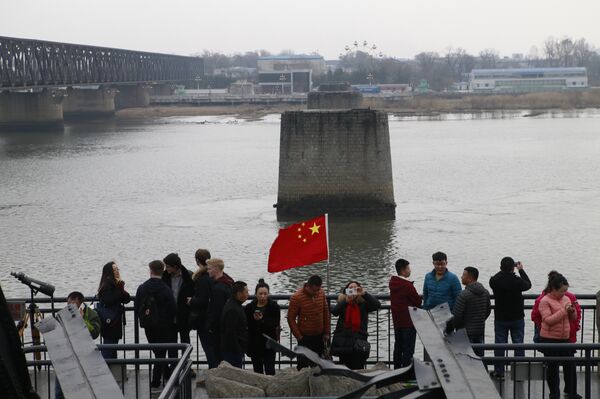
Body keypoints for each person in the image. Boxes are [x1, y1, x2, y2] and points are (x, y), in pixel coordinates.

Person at [531, 271, 581, 398]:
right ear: (553, 289)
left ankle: (571, 392)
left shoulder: (567, 298)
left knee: (570, 365)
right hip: (549, 339)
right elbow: (548, 320)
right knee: (552, 367)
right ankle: (554, 393)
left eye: (565, 291)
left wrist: (572, 311)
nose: (564, 294)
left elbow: (573, 318)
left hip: (565, 338)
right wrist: (564, 311)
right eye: (561, 291)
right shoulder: (544, 301)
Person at [135, 260, 177, 392]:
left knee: (157, 351)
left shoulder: (142, 288)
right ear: (162, 271)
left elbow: (137, 307)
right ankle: (156, 381)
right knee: (161, 352)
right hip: (164, 326)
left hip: (149, 326)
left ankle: (159, 379)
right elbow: (173, 309)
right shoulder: (166, 289)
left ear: (150, 271)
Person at [488, 257, 532, 380]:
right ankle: (519, 374)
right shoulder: (517, 281)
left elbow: (494, 279)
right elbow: (528, 284)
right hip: (517, 317)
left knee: (500, 345)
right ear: (513, 268)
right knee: (518, 344)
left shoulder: (495, 281)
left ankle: (499, 372)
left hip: (501, 317)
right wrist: (520, 270)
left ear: (500, 267)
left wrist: (504, 270)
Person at [55, 291, 101, 399]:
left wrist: (82, 321)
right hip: (65, 355)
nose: (69, 308)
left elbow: (95, 333)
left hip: (83, 356)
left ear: (80, 303)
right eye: (68, 305)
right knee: (59, 391)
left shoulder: (91, 314)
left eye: (72, 305)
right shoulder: (63, 314)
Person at [331, 281, 381, 369]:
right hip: (344, 343)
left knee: (359, 368)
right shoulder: (343, 302)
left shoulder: (363, 303)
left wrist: (364, 293)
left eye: (355, 289)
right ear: (346, 291)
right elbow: (335, 311)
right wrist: (346, 301)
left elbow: (377, 305)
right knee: (344, 369)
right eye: (350, 289)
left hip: (359, 342)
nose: (352, 291)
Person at [287, 275, 331, 370]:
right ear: (308, 286)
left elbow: (326, 312)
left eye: (318, 290)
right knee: (303, 365)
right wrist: (299, 337)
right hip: (305, 337)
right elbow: (290, 318)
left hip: (319, 336)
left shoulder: (321, 293)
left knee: (318, 365)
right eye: (314, 290)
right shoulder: (297, 297)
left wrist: (327, 332)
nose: (316, 292)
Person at [162, 253, 195, 376]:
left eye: (168, 266)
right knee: (171, 344)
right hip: (170, 316)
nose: (167, 269)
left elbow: (194, 293)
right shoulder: (164, 276)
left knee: (185, 342)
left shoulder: (189, 276)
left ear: (176, 266)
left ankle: (186, 366)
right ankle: (174, 368)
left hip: (184, 315)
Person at [389, 258, 422, 373]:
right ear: (403, 270)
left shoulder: (393, 283)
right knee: (408, 348)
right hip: (409, 321)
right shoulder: (407, 286)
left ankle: (396, 371)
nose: (410, 270)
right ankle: (406, 372)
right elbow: (418, 301)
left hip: (397, 321)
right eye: (408, 268)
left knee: (398, 347)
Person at [451, 266, 491, 357]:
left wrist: (455, 327)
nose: (461, 277)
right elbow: (488, 310)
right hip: (480, 330)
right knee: (479, 357)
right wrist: (480, 320)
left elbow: (457, 315)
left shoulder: (463, 294)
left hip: (465, 332)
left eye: (463, 275)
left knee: (465, 358)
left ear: (470, 278)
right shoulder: (485, 292)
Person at [245, 279, 281, 375]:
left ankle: (271, 389)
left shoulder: (274, 307)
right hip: (255, 344)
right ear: (256, 294)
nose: (263, 296)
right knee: (257, 371)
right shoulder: (250, 307)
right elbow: (247, 325)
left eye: (265, 294)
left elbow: (275, 323)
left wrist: (262, 320)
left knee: (270, 370)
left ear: (268, 294)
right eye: (260, 294)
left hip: (269, 344)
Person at [187, 249, 215, 372]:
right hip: (212, 317)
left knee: (208, 347)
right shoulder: (212, 275)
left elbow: (202, 300)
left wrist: (191, 300)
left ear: (197, 260)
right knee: (213, 346)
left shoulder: (202, 278)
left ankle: (212, 372)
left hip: (203, 319)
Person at [97, 261, 131, 359]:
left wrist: (121, 290)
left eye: (117, 269)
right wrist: (119, 290)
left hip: (113, 322)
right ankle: (101, 372)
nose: (117, 271)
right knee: (108, 351)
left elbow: (126, 299)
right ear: (109, 271)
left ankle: (111, 373)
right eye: (114, 269)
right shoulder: (107, 285)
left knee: (112, 350)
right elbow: (109, 300)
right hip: (110, 322)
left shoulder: (114, 284)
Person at [205, 258, 234, 366]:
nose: (207, 271)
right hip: (227, 328)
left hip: (218, 329)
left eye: (209, 269)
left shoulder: (218, 289)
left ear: (216, 270)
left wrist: (209, 326)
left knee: (218, 356)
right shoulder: (229, 283)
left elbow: (216, 311)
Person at [220, 281, 249, 368]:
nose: (248, 294)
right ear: (239, 294)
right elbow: (230, 332)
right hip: (233, 351)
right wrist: (239, 350)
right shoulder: (233, 309)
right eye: (246, 292)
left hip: (233, 349)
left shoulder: (233, 305)